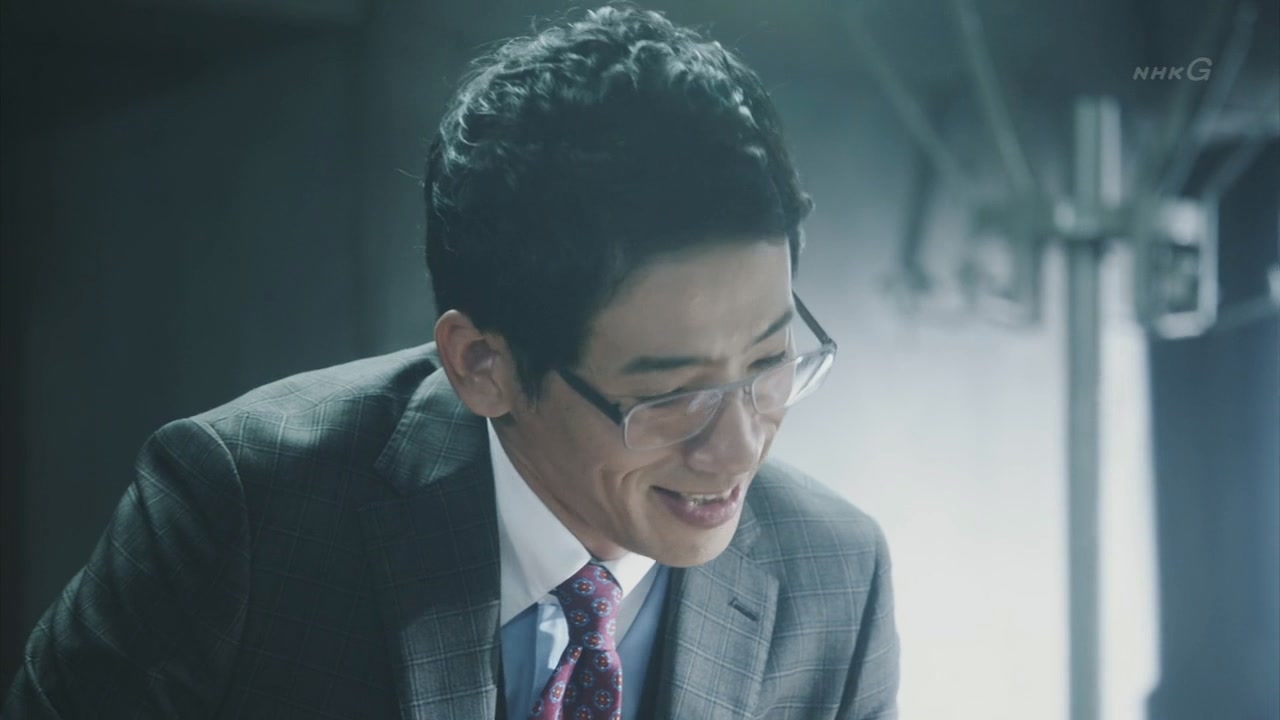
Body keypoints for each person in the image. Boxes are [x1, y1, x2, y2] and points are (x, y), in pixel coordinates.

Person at [4, 5, 899, 718]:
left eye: (772, 361)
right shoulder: (245, 515)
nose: (739, 448)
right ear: (480, 365)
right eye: (670, 395)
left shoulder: (834, 577)